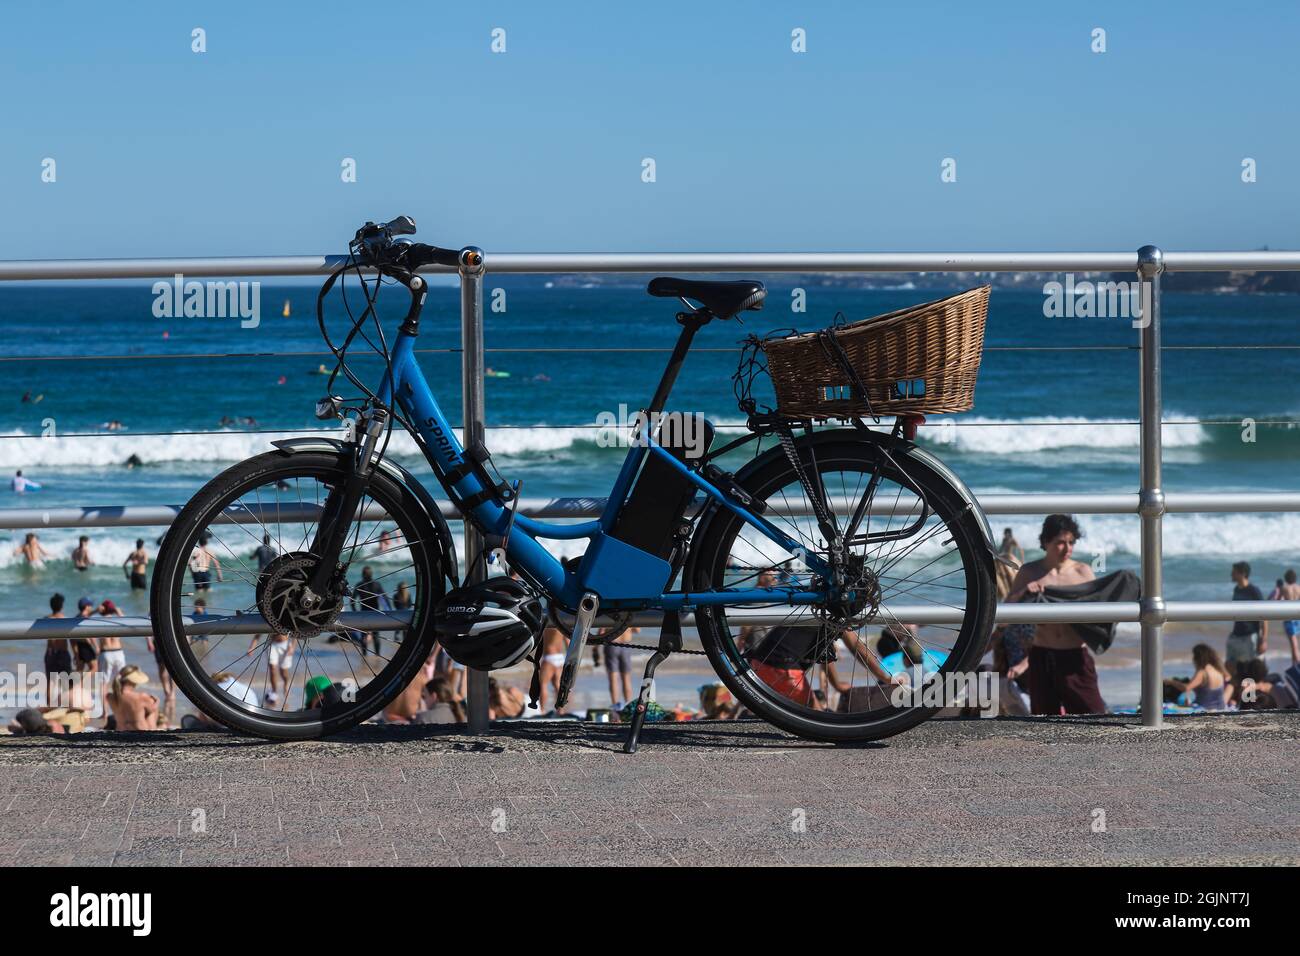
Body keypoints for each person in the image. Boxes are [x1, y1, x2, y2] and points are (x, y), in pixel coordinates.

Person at [1004, 514, 1106, 715]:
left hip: (1075, 657)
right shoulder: (1029, 572)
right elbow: (1005, 614)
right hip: (1041, 655)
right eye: (1060, 542)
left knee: (1093, 718)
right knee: (1044, 721)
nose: (1067, 549)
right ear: (1045, 542)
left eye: (1071, 542)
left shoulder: (1083, 572)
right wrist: (1024, 592)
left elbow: (1099, 616)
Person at [1226, 561, 1267, 684]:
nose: (1231, 574)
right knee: (1230, 664)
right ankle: (1238, 690)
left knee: (1252, 669)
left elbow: (1264, 616)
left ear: (1243, 574)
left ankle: (1253, 693)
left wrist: (1263, 639)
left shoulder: (1253, 591)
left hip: (1250, 635)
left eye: (1234, 572)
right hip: (1236, 634)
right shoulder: (1236, 589)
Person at [1175, 644, 1233, 710]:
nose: (1193, 659)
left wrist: (1171, 682)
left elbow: (1186, 688)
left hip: (1205, 708)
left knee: (1179, 701)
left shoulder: (1203, 672)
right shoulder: (1219, 671)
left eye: (1194, 656)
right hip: (1220, 708)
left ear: (1198, 658)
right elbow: (1229, 679)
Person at [248, 632, 295, 708]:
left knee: (284, 672)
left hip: (286, 645)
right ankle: (274, 692)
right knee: (272, 669)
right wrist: (252, 647)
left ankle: (286, 685)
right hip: (272, 644)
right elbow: (258, 634)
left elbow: (295, 632)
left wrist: (292, 646)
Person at [351, 566, 389, 657]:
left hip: (363, 613)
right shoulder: (377, 584)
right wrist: (388, 611)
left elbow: (352, 600)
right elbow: (385, 598)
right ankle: (377, 655)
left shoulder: (359, 585)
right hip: (375, 613)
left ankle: (364, 655)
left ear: (362, 574)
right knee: (376, 635)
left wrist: (355, 612)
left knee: (363, 636)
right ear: (371, 574)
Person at [106, 665, 158, 731]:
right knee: (152, 709)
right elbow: (152, 709)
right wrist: (156, 702)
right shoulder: (141, 697)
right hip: (141, 732)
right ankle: (154, 731)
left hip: (120, 732)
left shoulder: (110, 697)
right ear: (132, 681)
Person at [42, 593, 73, 704]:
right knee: (67, 682)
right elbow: (72, 639)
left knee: (50, 682)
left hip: (50, 652)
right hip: (62, 652)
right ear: (62, 606)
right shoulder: (65, 620)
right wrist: (76, 653)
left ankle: (49, 707)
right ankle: (68, 705)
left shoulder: (45, 619)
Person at [603, 626, 637, 709]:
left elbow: (601, 631)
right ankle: (628, 704)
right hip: (626, 644)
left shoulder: (610, 617)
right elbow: (637, 630)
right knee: (626, 678)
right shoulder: (629, 617)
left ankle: (615, 706)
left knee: (613, 678)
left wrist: (595, 648)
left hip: (612, 644)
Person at [97, 599, 128, 690]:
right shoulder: (117, 621)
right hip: (118, 652)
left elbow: (85, 618)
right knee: (121, 680)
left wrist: (96, 611)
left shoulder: (98, 621)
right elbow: (127, 622)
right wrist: (118, 611)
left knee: (103, 683)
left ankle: (103, 700)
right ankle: (119, 699)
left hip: (106, 652)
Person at [537, 624, 567, 711]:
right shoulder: (562, 625)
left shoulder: (547, 623)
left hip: (549, 657)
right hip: (560, 658)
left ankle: (542, 710)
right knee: (558, 685)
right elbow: (568, 643)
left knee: (543, 685)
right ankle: (561, 710)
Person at [71, 598, 100, 683]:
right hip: (85, 646)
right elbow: (90, 634)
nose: (91, 607)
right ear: (86, 607)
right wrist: (97, 647)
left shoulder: (77, 617)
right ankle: (80, 684)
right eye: (90, 605)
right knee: (94, 668)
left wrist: (75, 653)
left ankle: (71, 686)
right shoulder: (85, 619)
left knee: (80, 669)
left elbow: (71, 638)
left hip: (79, 646)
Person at [1280, 569, 1300, 664]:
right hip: (1297, 615)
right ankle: (1294, 664)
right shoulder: (1298, 588)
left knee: (1293, 644)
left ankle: (1297, 665)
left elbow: (1279, 600)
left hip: (1289, 616)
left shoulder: (1284, 588)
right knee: (1294, 642)